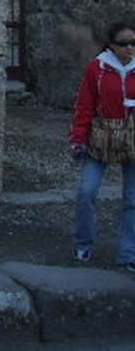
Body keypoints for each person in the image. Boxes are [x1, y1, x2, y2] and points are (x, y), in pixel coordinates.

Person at [69, 21, 135, 269]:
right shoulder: (97, 69)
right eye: (124, 44)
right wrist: (78, 138)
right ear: (111, 45)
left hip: (132, 139)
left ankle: (129, 254)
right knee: (87, 192)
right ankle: (83, 244)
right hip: (101, 138)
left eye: (133, 43)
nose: (130, 48)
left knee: (132, 199)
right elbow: (84, 105)